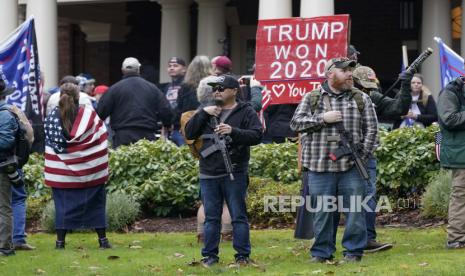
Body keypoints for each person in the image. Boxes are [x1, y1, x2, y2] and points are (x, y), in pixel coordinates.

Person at [290, 57, 378, 263]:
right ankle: (321, 253)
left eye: (350, 70)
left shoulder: (360, 99)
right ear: (330, 74)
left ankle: (353, 252)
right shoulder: (312, 98)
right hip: (319, 167)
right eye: (344, 70)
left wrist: (361, 156)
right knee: (322, 213)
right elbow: (296, 123)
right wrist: (323, 118)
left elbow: (372, 131)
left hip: (351, 168)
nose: (350, 74)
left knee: (355, 211)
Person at [185, 75, 262, 267]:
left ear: (234, 90)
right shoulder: (207, 111)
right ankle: (209, 257)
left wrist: (232, 131)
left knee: (238, 216)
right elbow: (189, 133)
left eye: (221, 88)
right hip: (208, 172)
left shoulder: (245, 111)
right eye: (214, 88)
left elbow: (257, 135)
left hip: (235, 171)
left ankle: (242, 256)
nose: (217, 91)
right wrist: (203, 113)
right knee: (211, 218)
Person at [351, 65, 413, 252]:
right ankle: (326, 241)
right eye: (365, 87)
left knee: (368, 196)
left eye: (370, 87)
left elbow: (398, 107)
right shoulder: (338, 97)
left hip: (366, 153)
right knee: (334, 198)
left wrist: (405, 85)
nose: (369, 91)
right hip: (340, 154)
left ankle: (368, 239)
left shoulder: (372, 95)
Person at [44, 82, 111, 250]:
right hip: (91, 174)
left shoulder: (52, 118)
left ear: (60, 96)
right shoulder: (90, 116)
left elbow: (49, 146)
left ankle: (60, 243)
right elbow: (103, 137)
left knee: (62, 208)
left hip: (62, 176)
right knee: (96, 206)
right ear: (78, 97)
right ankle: (103, 241)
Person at [97, 57, 172, 148]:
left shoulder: (114, 89)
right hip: (146, 135)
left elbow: (100, 112)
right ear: (138, 70)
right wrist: (167, 124)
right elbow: (165, 109)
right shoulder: (152, 88)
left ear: (122, 70)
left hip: (122, 136)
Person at [437, 76, 465, 249]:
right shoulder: (450, 92)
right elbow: (449, 119)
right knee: (460, 196)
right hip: (461, 154)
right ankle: (455, 238)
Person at [10, 105, 35, 251]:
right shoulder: (13, 111)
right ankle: (18, 238)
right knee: (18, 199)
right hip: (12, 162)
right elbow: (30, 136)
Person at [0, 79, 20, 256]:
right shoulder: (7, 114)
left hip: (2, 166)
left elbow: (6, 142)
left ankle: (5, 247)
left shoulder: (5, 115)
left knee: (3, 208)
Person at [162, 57, 187, 146]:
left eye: (175, 66)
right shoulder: (166, 87)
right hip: (169, 128)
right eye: (170, 66)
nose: (172, 68)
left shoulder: (187, 85)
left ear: (184, 69)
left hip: (182, 128)